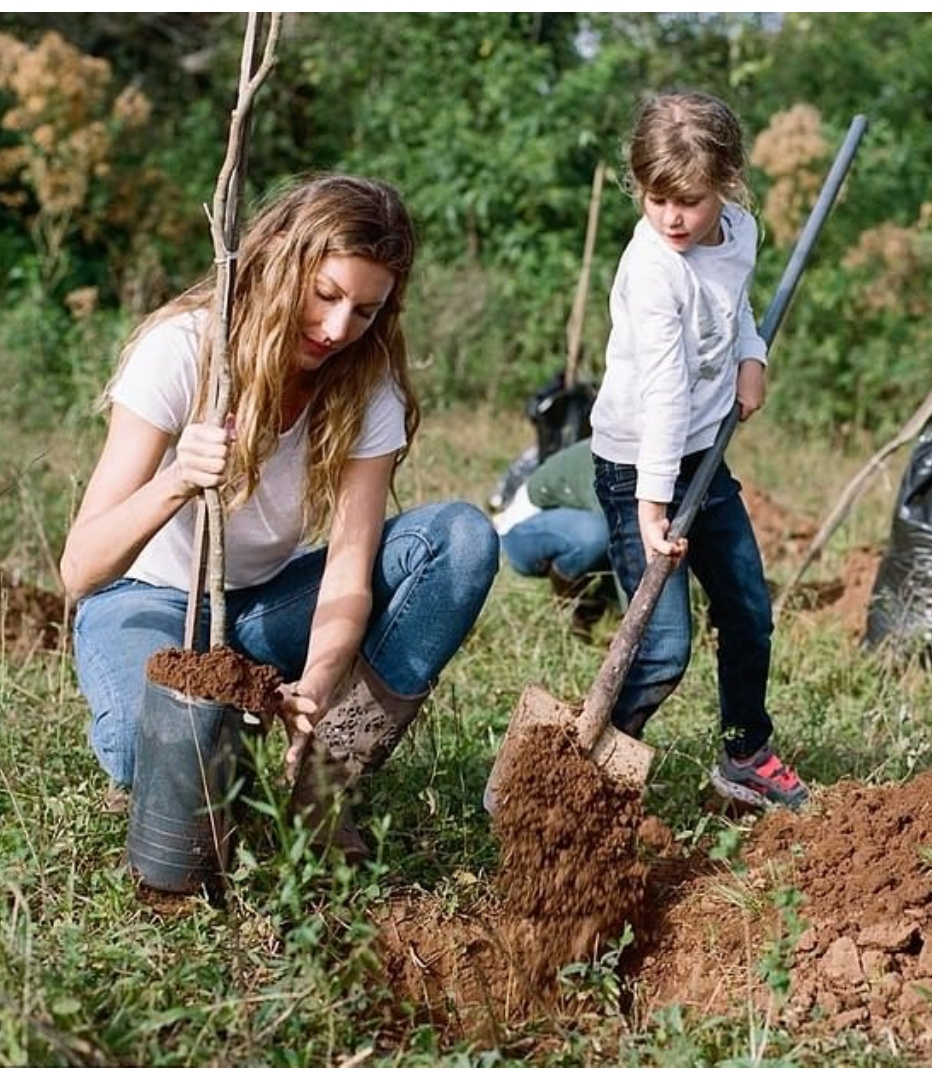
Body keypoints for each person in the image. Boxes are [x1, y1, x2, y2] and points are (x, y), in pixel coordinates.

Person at [58, 175, 499, 854]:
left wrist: (320, 686)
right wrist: (178, 480)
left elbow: (350, 575)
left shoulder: (364, 382)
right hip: (141, 599)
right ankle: (221, 741)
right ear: (282, 262)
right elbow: (80, 568)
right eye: (324, 296)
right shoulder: (184, 349)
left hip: (265, 607)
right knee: (148, 758)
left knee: (460, 539)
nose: (336, 329)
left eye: (365, 310)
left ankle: (324, 776)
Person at [588, 91, 806, 809]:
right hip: (637, 464)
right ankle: (591, 769)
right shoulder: (652, 272)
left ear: (729, 186)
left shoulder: (740, 232)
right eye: (657, 200)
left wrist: (752, 356)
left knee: (747, 607)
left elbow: (735, 304)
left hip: (704, 458)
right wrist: (652, 505)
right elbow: (665, 392)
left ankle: (745, 752)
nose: (673, 218)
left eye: (690, 200)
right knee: (660, 649)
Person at [492, 438, 615, 637]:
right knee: (597, 534)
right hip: (518, 537)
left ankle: (592, 609)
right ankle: (565, 614)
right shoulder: (615, 458)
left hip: (568, 524)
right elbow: (622, 544)